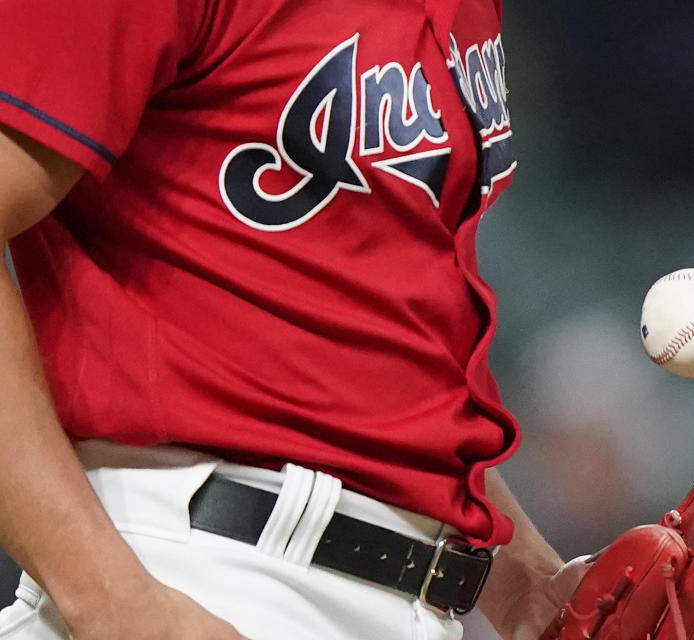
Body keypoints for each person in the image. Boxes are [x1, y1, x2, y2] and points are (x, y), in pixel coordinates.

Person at [0, 0, 589, 638]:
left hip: (412, 599)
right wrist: (109, 598)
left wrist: (523, 584)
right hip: (200, 567)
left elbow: (363, 337)